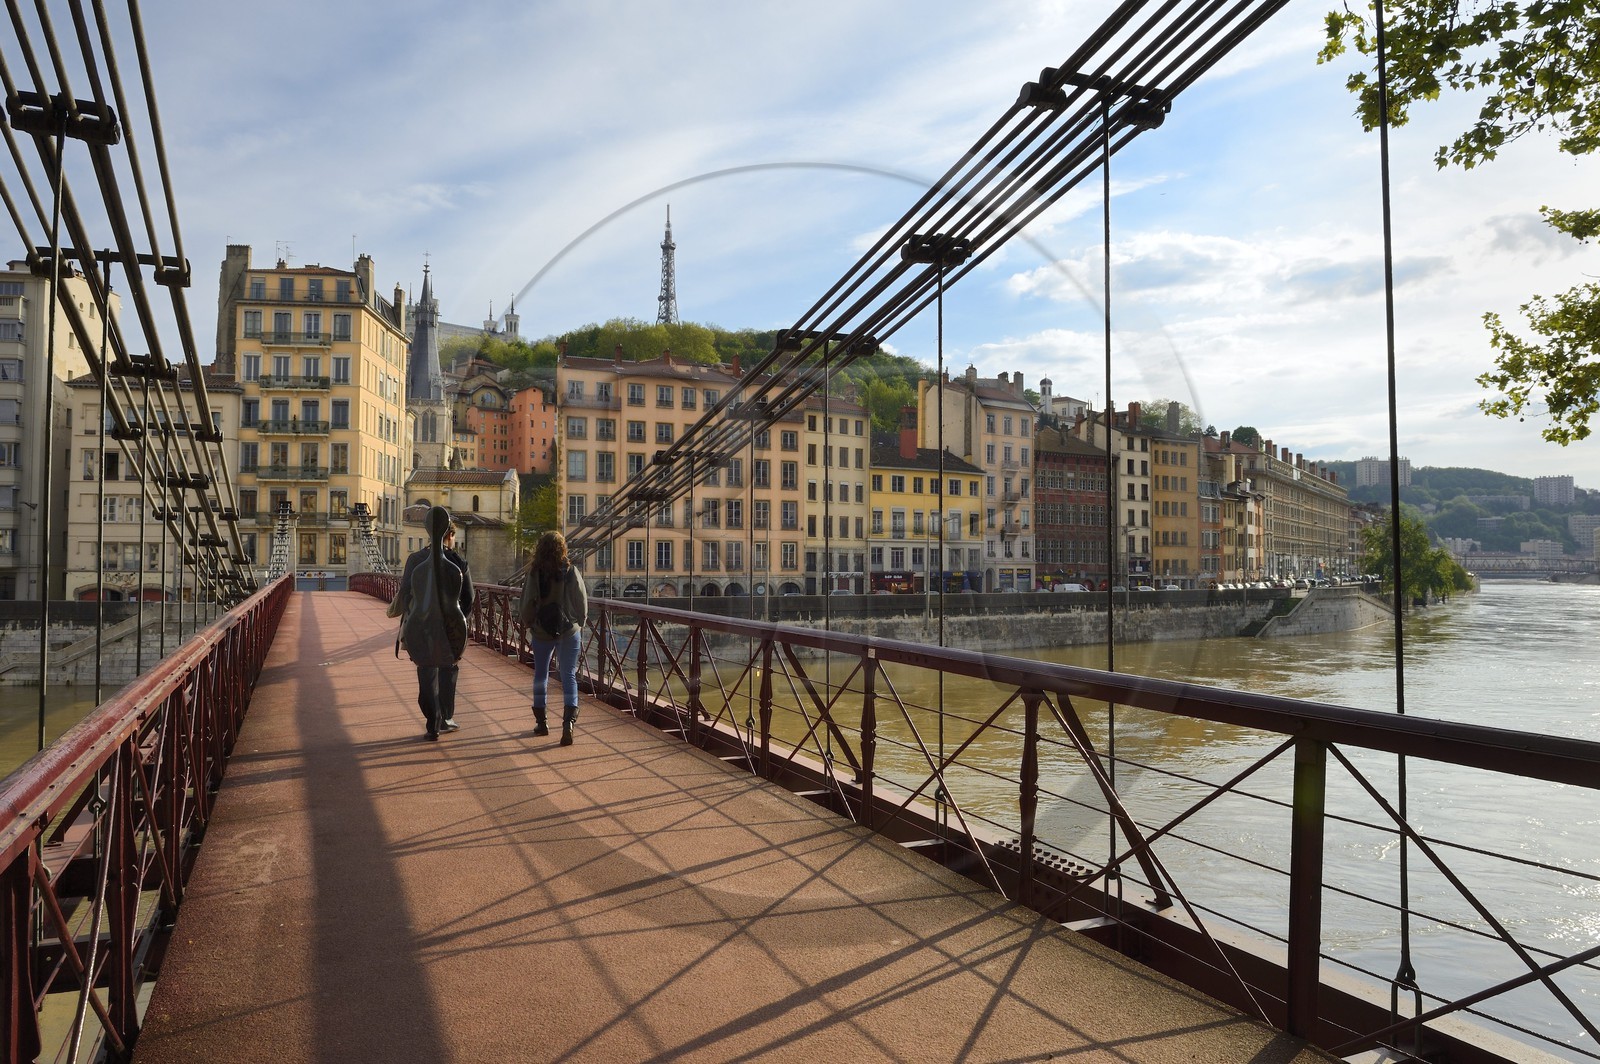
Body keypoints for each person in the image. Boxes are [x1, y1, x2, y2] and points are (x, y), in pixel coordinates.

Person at [395, 505, 474, 740]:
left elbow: (405, 593)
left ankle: (432, 721)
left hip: (421, 625)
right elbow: (469, 598)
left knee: (425, 669)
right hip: (450, 626)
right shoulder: (458, 562)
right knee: (448, 669)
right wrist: (459, 620)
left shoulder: (415, 559)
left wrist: (415, 614)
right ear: (450, 534)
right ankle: (446, 717)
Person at [517, 530, 588, 745]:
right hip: (568, 631)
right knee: (568, 676)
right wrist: (580, 622)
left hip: (541, 632)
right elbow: (581, 600)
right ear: (563, 548)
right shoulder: (571, 570)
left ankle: (542, 722)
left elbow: (528, 602)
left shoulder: (534, 572)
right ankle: (568, 724)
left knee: (541, 676)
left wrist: (529, 623)